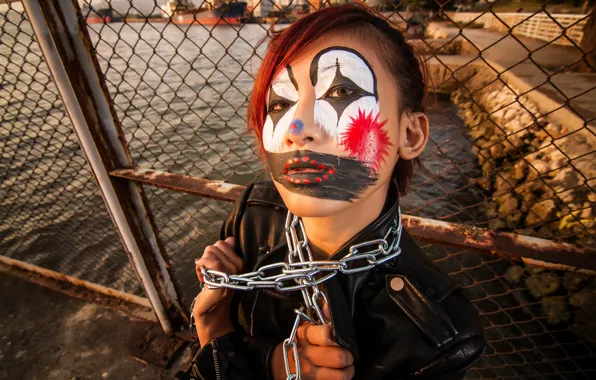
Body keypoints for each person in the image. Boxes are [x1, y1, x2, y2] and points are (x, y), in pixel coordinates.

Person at [176, 4, 485, 380]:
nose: (297, 127)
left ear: (411, 134)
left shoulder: (437, 333)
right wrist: (217, 330)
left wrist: (227, 346)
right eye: (280, 103)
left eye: (341, 90)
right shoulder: (250, 215)